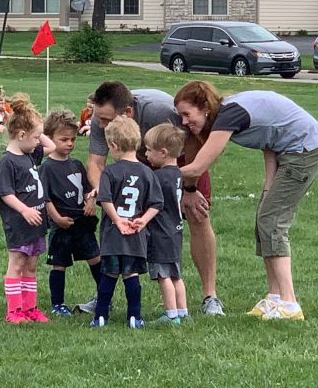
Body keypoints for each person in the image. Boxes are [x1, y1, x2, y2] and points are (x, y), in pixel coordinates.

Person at [174, 80, 318, 321]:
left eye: (187, 114)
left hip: (305, 151)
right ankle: (274, 298)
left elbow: (198, 167)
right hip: (288, 152)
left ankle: (290, 304)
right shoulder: (227, 112)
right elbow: (268, 141)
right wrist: (268, 187)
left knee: (272, 221)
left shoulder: (228, 116)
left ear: (204, 107)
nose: (184, 122)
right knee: (264, 218)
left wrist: (160, 174)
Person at [86, 80, 224, 316]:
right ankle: (104, 296)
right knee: (123, 223)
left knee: (197, 216)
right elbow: (95, 163)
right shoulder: (102, 116)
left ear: (128, 112)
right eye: (99, 118)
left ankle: (210, 296)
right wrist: (106, 193)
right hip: (141, 162)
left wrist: (188, 188)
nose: (100, 124)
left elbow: (193, 142)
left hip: (181, 158)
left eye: (106, 119)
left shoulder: (159, 112)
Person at [92, 115, 163, 329]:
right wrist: (143, 221)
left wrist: (116, 219)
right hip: (135, 234)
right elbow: (157, 203)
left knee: (109, 275)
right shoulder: (147, 172)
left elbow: (105, 199)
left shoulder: (110, 171)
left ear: (113, 145)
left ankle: (100, 317)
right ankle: (134, 316)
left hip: (113, 235)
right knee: (131, 275)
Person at [0, 92, 56, 324]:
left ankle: (30, 308)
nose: (39, 141)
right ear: (21, 135)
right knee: (17, 264)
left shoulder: (30, 154)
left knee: (31, 266)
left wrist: (36, 129)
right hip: (20, 224)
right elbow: (5, 193)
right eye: (36, 137)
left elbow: (51, 146)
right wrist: (24, 210)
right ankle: (14, 311)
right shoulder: (7, 161)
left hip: (36, 223)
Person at [39, 109, 102, 317]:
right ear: (49, 138)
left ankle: (104, 296)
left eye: (73, 139)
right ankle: (58, 304)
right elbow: (45, 198)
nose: (69, 143)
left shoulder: (76, 164)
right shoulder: (47, 168)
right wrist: (56, 218)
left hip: (82, 223)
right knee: (59, 264)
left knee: (95, 258)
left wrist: (91, 201)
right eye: (64, 139)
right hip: (61, 225)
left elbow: (87, 189)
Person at [144, 123, 189, 325]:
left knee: (164, 276)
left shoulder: (158, 177)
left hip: (160, 233)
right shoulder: (177, 173)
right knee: (176, 275)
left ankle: (171, 315)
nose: (146, 154)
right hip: (175, 232)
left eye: (148, 150)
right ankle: (183, 311)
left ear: (163, 152)